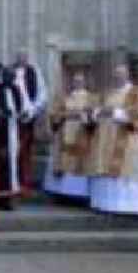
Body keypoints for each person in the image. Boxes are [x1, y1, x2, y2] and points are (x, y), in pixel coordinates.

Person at [88, 64, 138, 216]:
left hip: (126, 138)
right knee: (105, 172)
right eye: (116, 74)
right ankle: (107, 204)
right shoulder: (109, 93)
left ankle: (129, 206)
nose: (118, 77)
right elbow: (97, 110)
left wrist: (114, 112)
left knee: (126, 171)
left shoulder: (136, 92)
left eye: (121, 74)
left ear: (127, 75)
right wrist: (97, 113)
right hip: (105, 139)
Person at [43, 71, 98, 203]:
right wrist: (63, 116)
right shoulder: (63, 97)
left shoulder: (92, 98)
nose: (77, 83)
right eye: (75, 80)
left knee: (79, 164)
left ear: (85, 82)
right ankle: (62, 193)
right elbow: (53, 114)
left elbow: (95, 116)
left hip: (83, 134)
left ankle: (80, 195)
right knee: (64, 162)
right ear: (72, 82)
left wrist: (87, 118)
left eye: (80, 80)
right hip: (64, 133)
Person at [0, 67, 26, 209]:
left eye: (12, 76)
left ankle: (12, 196)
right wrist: (1, 113)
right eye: (7, 76)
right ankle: (0, 198)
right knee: (2, 162)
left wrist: (19, 113)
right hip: (1, 132)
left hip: (14, 129)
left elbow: (21, 107)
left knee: (14, 162)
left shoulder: (16, 90)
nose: (10, 78)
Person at [12, 48, 48, 194]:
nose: (22, 59)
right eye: (19, 56)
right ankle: (13, 181)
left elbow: (42, 94)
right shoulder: (10, 71)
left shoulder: (35, 72)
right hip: (13, 119)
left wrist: (33, 110)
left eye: (24, 56)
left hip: (28, 117)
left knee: (26, 150)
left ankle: (25, 182)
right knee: (12, 151)